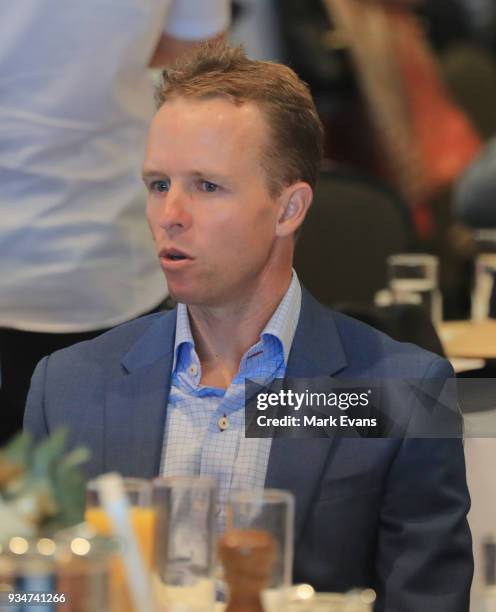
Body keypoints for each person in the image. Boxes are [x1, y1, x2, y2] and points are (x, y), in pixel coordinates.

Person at [24, 44, 472, 609]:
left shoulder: (399, 393)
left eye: (207, 186)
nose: (170, 215)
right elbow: (27, 598)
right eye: (158, 184)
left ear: (289, 209)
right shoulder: (68, 388)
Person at [0, 0, 230, 444]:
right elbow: (196, 50)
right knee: (113, 495)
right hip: (107, 255)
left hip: (107, 258)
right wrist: (96, 64)